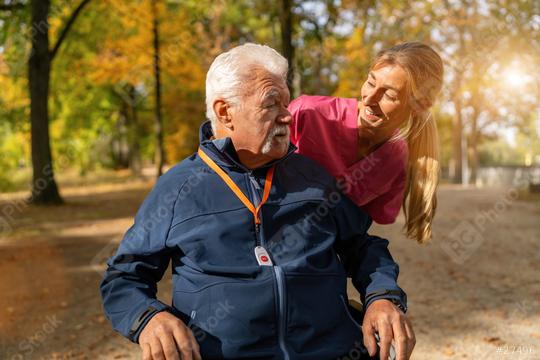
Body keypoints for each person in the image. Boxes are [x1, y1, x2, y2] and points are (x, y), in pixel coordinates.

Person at [100, 43, 415, 360]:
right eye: (272, 104)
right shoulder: (178, 189)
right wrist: (149, 318)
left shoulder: (312, 176)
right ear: (226, 112)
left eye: (286, 103)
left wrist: (382, 297)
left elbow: (362, 247)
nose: (288, 115)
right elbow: (123, 277)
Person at [289, 42, 444, 244]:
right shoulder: (307, 113)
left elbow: (355, 234)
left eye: (389, 95)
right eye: (370, 83)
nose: (370, 99)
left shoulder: (397, 160)